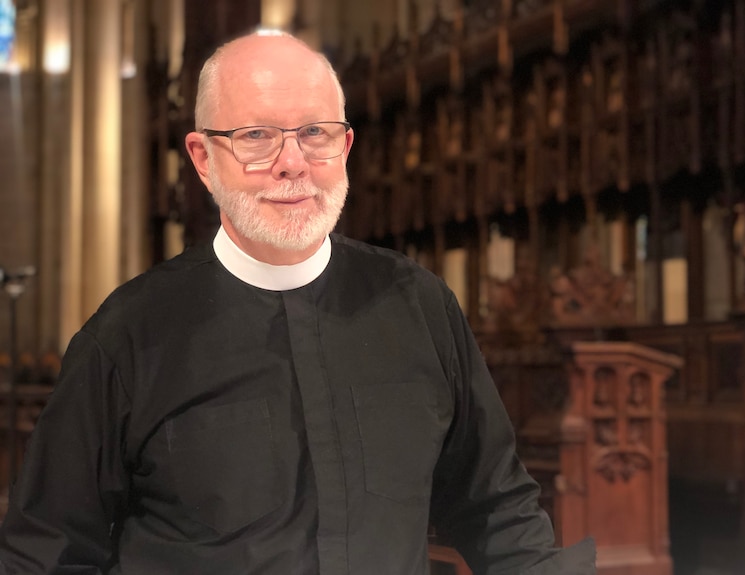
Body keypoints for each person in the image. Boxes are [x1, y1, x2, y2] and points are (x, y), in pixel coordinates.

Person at [0, 31, 596, 574]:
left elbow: (496, 509)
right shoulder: (127, 335)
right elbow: (48, 553)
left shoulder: (419, 305)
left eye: (316, 133)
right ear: (204, 160)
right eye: (256, 137)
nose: (293, 162)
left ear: (346, 144)